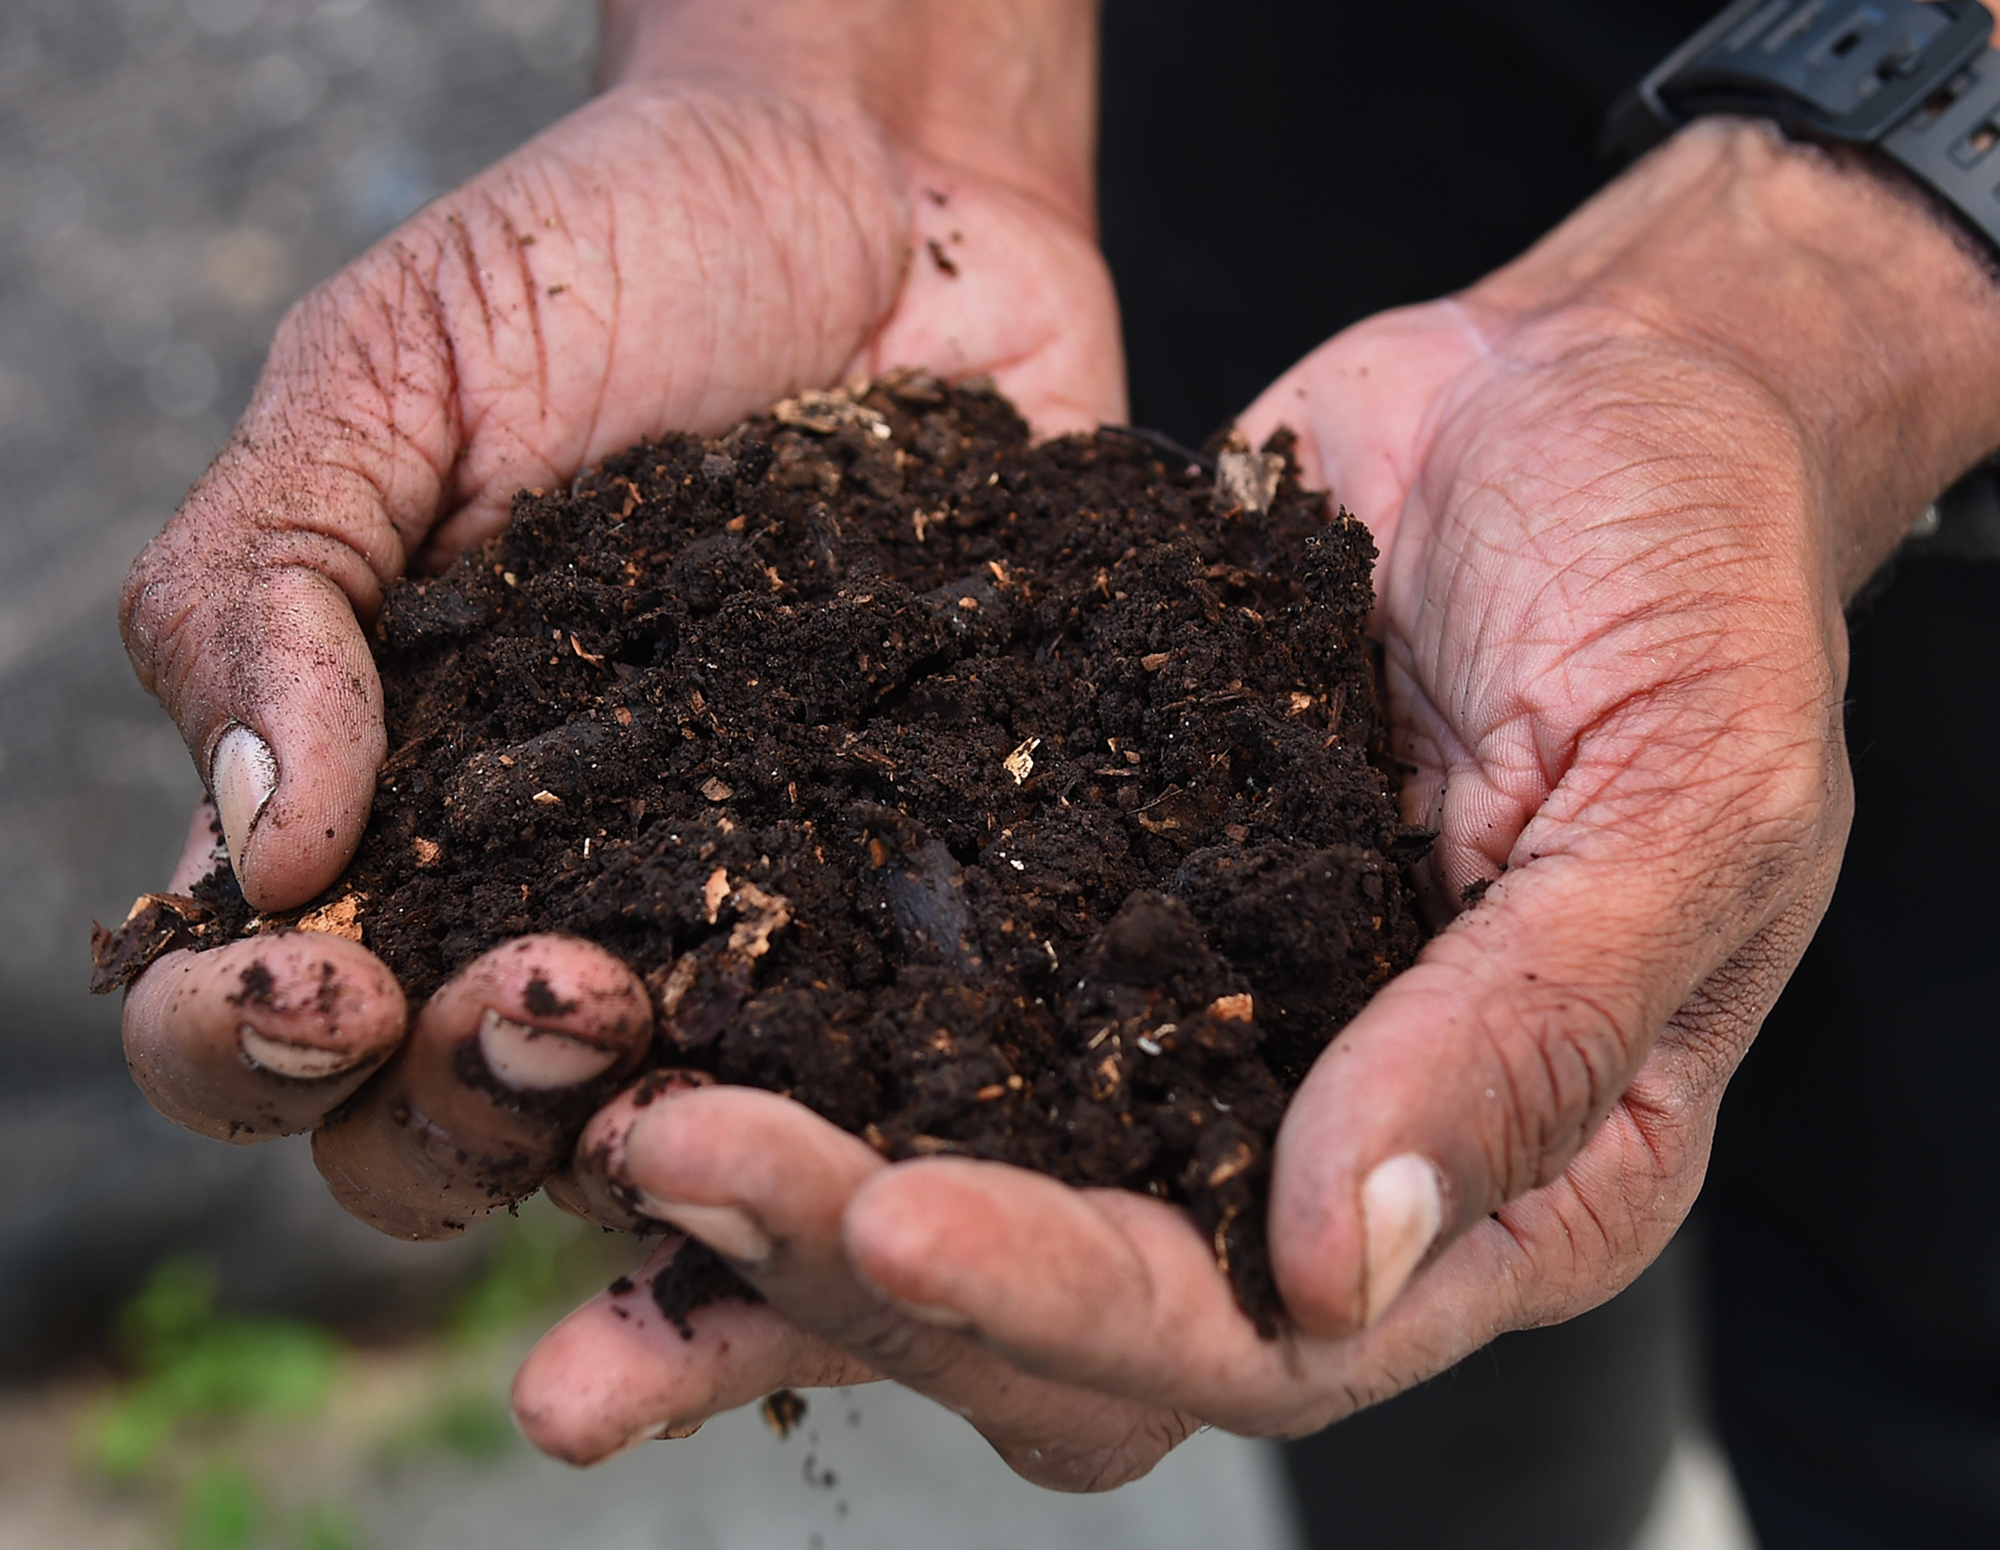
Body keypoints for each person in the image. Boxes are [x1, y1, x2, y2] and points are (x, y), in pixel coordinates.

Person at [114, 0, 2000, 1539]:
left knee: (1936, 1319)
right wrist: (848, 77)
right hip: (1308, 89)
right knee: (1403, 1259)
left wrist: (1882, 218)